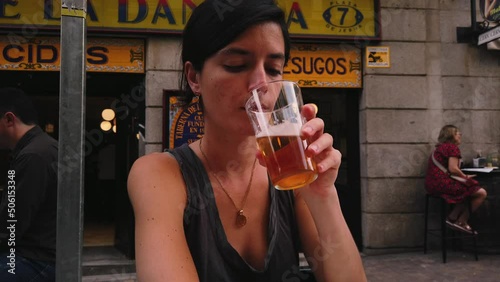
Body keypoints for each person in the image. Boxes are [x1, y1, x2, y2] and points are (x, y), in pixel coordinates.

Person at [128, 0, 366, 281]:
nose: (260, 84)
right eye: (236, 65)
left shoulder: (292, 174)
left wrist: (324, 196)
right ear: (194, 78)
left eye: (274, 70)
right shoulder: (160, 174)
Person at [0, 87, 57, 281]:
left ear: (9, 119)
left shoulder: (33, 156)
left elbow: (11, 224)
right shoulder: (42, 147)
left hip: (34, 259)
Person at [425, 125, 488, 234]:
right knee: (481, 193)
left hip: (431, 185)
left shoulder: (439, 148)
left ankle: (452, 218)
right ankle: (461, 221)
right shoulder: (452, 147)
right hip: (443, 184)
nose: (460, 136)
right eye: (458, 134)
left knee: (467, 190)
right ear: (452, 135)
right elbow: (453, 169)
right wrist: (465, 176)